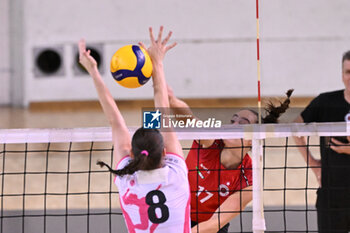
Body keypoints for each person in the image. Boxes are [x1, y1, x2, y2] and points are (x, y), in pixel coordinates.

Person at [78, 26, 191, 233]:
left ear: (132, 153)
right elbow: (119, 121)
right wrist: (157, 63)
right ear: (165, 153)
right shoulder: (176, 175)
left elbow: (116, 122)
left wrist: (93, 70)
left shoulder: (126, 181)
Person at [167, 86, 293, 233]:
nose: (233, 125)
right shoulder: (211, 141)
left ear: (252, 140)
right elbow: (189, 118)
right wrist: (172, 100)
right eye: (233, 120)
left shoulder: (250, 180)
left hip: (210, 226)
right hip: (175, 215)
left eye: (242, 123)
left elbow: (215, 223)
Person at [293, 51, 350, 233]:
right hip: (332, 193)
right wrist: (314, 164)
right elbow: (295, 128)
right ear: (342, 75)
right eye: (348, 72)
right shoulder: (325, 101)